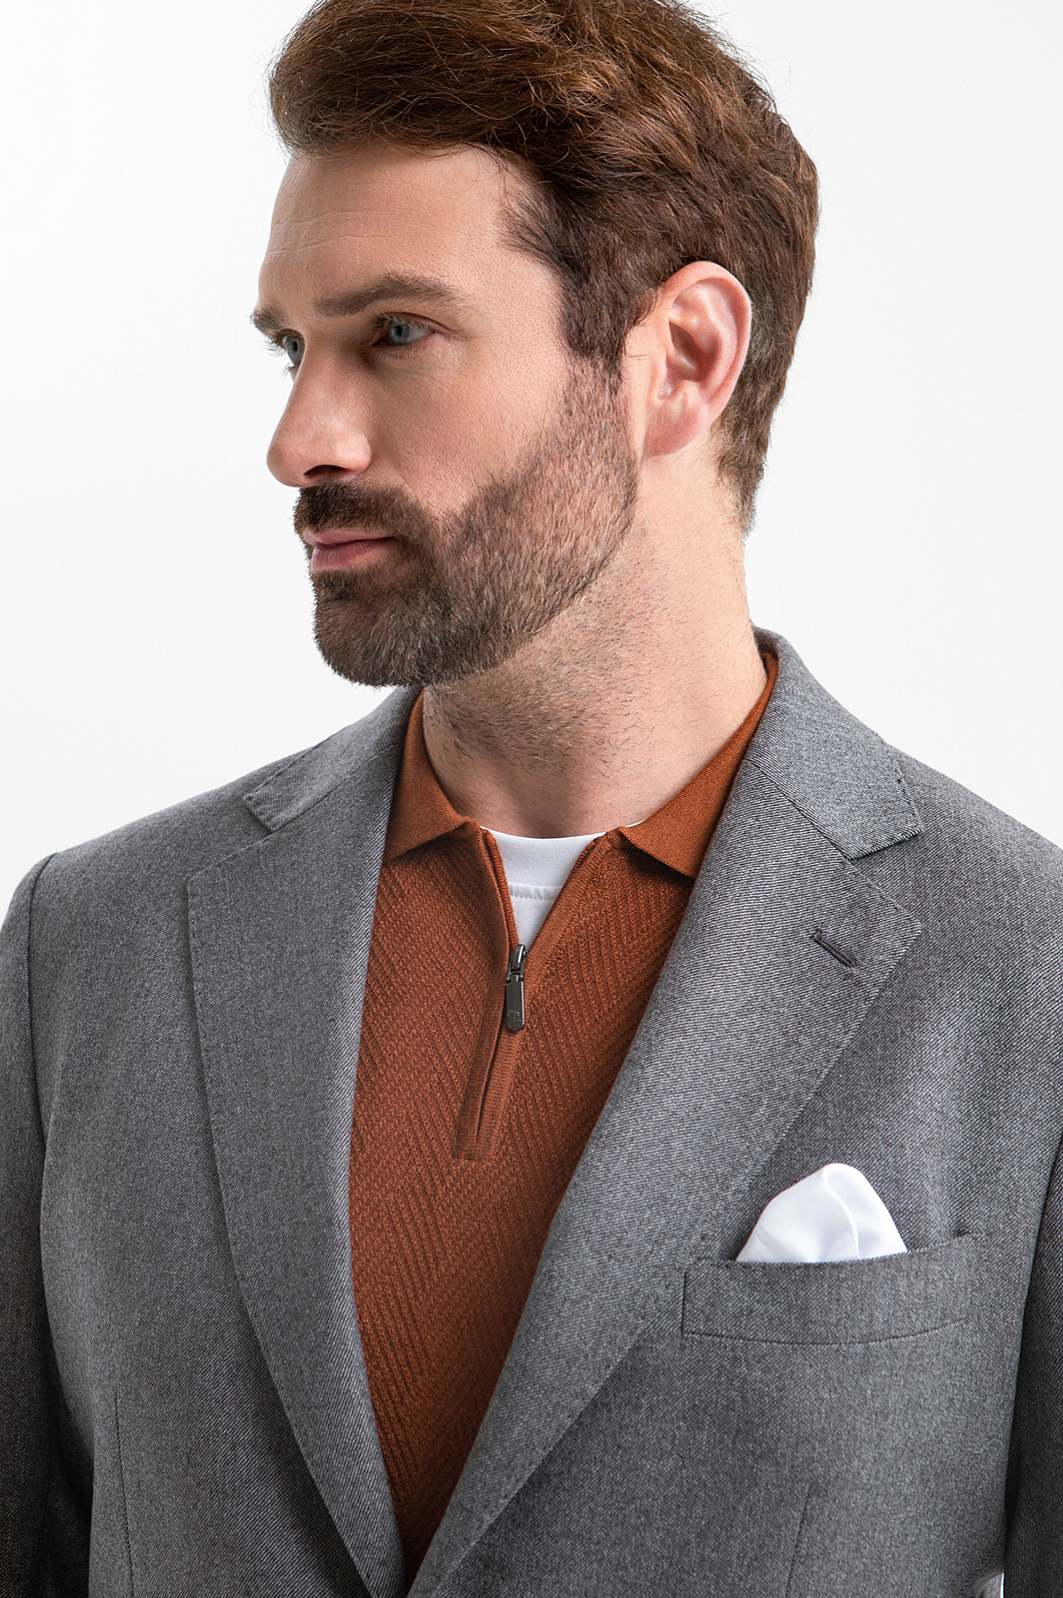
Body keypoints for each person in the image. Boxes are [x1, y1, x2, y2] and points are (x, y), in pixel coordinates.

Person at [1, 0, 1060, 1592]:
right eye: (292, 347)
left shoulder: (1023, 967)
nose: (299, 438)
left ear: (681, 360)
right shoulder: (92, 946)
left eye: (395, 334)